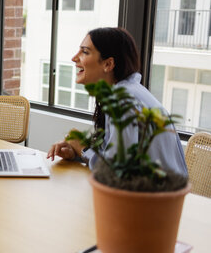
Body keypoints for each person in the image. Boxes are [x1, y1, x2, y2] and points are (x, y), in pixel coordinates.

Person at [46, 27, 187, 176]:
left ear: (108, 64)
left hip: (155, 197)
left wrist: (82, 147)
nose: (74, 58)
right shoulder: (126, 93)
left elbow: (114, 172)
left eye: (85, 52)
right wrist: (77, 153)